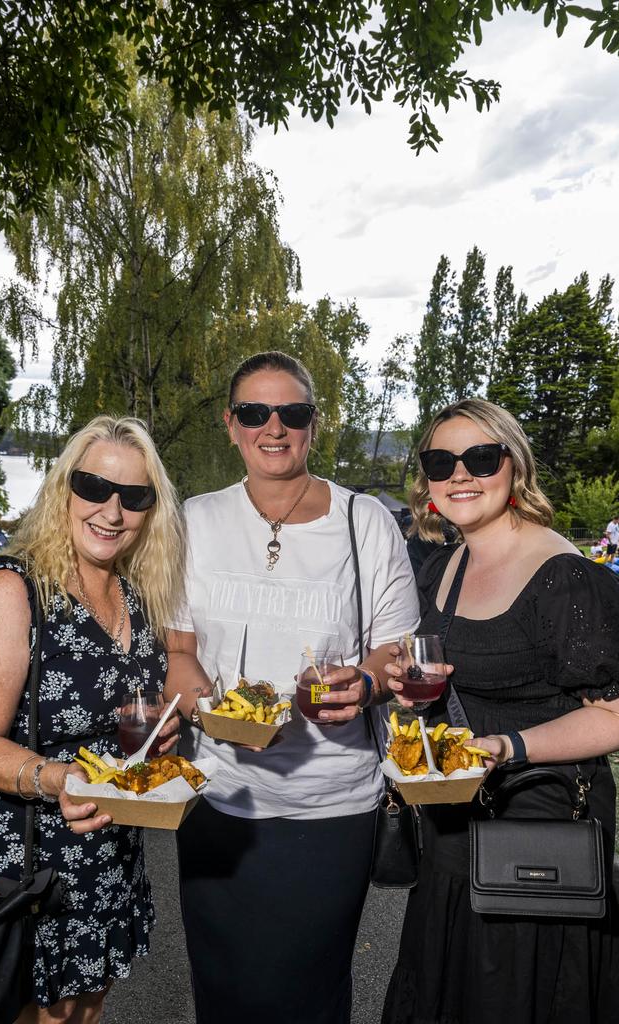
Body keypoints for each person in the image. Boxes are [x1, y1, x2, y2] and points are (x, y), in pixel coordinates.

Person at [381, 398, 619, 1024]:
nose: (461, 474)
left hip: (535, 846)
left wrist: (506, 746)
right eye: (441, 460)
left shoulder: (565, 576)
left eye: (481, 458)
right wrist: (410, 687)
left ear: (514, 467)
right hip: (455, 830)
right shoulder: (445, 565)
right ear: (425, 479)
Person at [168, 350, 420, 1024]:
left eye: (292, 412)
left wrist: (363, 685)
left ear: (315, 424)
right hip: (217, 799)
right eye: (254, 412)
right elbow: (180, 652)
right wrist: (211, 712)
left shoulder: (365, 521)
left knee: (308, 993)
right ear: (230, 424)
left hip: (330, 806)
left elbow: (393, 648)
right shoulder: (195, 519)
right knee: (223, 993)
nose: (272, 427)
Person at [0, 415, 194, 1023]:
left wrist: (160, 739)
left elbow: (124, 719)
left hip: (107, 857)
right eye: (94, 487)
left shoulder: (134, 595)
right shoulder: (9, 591)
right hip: (24, 872)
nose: (112, 510)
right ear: (64, 489)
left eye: (134, 497)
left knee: (83, 1015)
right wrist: (59, 779)